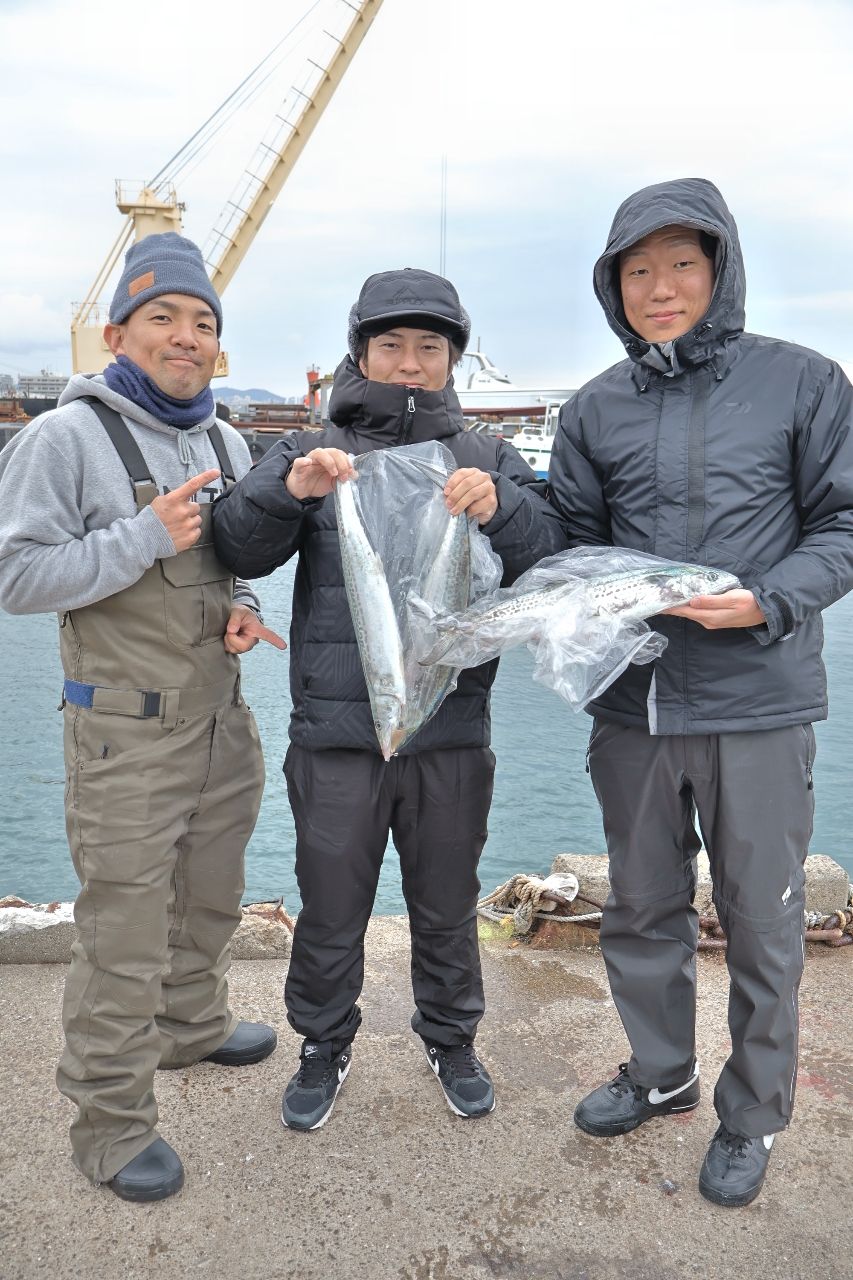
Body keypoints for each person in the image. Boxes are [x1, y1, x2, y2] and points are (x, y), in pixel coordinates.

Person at [547, 178, 853, 1207]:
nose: (660, 287)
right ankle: (661, 1070)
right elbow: (571, 550)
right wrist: (496, 499)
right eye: (637, 270)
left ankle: (753, 1111)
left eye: (682, 263)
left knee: (762, 921)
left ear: (719, 271)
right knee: (640, 906)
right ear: (613, 285)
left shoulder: (805, 383)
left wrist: (769, 601)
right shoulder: (592, 405)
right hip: (631, 705)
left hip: (757, 700)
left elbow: (843, 526)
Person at [211, 267, 566, 1131]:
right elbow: (238, 546)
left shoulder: (484, 455)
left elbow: (549, 557)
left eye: (429, 349)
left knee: (444, 903)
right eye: (391, 346)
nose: (409, 364)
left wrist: (501, 512)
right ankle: (322, 1045)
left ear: (452, 360)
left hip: (448, 731)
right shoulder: (311, 448)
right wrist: (284, 489)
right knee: (331, 904)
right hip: (336, 733)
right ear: (361, 352)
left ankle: (451, 1038)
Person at [0, 232, 285, 1203]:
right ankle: (111, 1122)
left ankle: (189, 1025)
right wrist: (138, 534)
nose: (186, 335)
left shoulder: (224, 439)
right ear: (116, 331)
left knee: (211, 895)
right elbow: (18, 575)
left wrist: (245, 607)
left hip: (221, 722)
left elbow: (230, 556)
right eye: (163, 316)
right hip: (122, 733)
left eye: (203, 321)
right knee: (121, 932)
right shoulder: (62, 439)